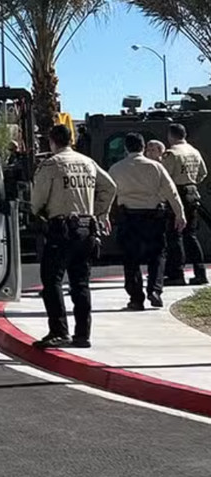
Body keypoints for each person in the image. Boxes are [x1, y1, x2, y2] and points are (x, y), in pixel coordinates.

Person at [31, 123, 117, 348]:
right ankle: (83, 334)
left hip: (61, 230)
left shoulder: (51, 165)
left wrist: (40, 215)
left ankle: (59, 331)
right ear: (71, 140)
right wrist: (100, 212)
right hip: (87, 228)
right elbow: (110, 186)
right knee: (80, 284)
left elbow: (37, 201)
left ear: (52, 141)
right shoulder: (88, 163)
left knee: (52, 281)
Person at [109, 132, 184, 310]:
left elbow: (109, 194)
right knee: (158, 254)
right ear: (143, 147)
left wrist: (104, 216)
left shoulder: (116, 168)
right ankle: (155, 289)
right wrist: (180, 214)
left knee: (130, 258)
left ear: (126, 148)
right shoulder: (156, 167)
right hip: (154, 216)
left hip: (128, 217)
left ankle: (136, 297)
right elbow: (171, 192)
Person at [162, 123, 208, 286]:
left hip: (177, 193)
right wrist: (192, 181)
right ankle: (200, 272)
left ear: (171, 136)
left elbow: (164, 177)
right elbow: (203, 173)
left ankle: (176, 274)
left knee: (174, 235)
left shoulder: (171, 153)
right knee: (191, 235)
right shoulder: (194, 152)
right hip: (192, 192)